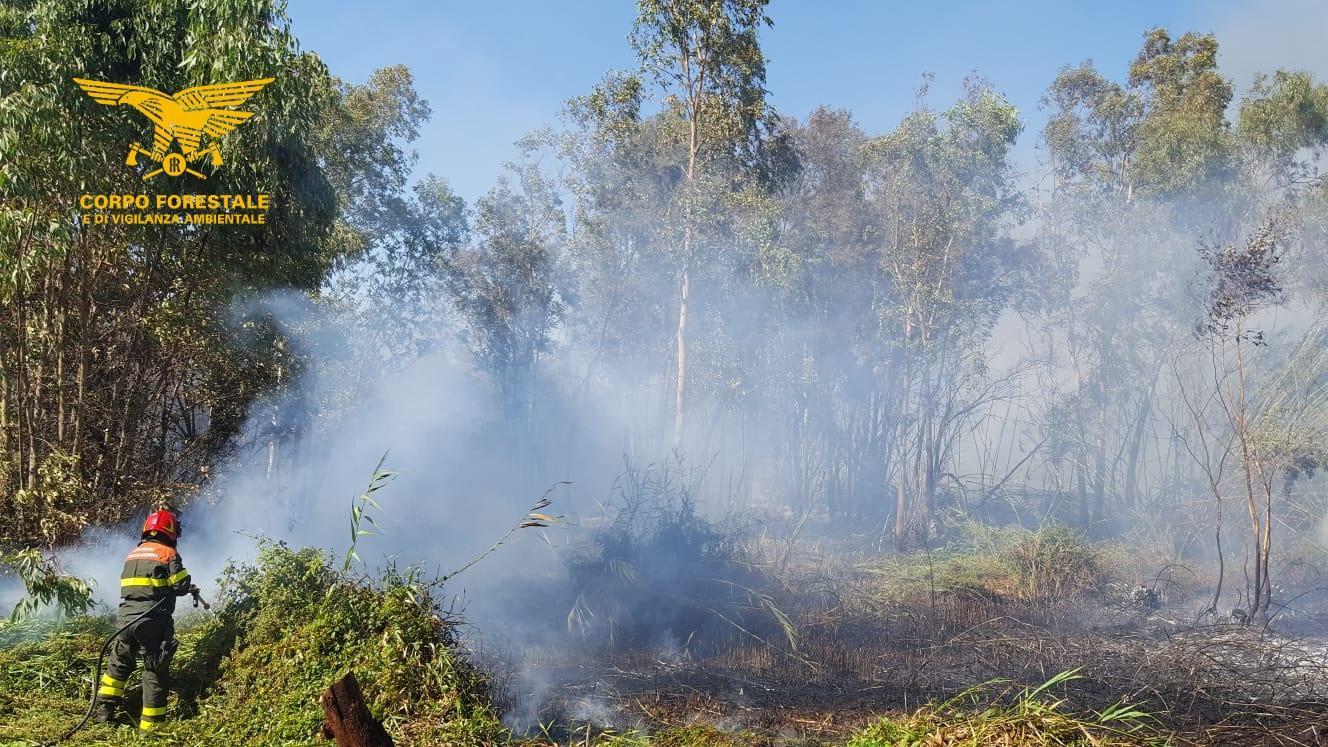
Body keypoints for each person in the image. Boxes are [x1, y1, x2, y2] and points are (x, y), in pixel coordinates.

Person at [94, 509, 193, 732]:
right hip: (152, 622)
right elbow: (181, 585)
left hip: (126, 621)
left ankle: (103, 710)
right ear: (170, 531)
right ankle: (151, 727)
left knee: (118, 664)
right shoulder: (167, 553)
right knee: (154, 670)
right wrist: (186, 583)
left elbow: (142, 586)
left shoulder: (133, 554)